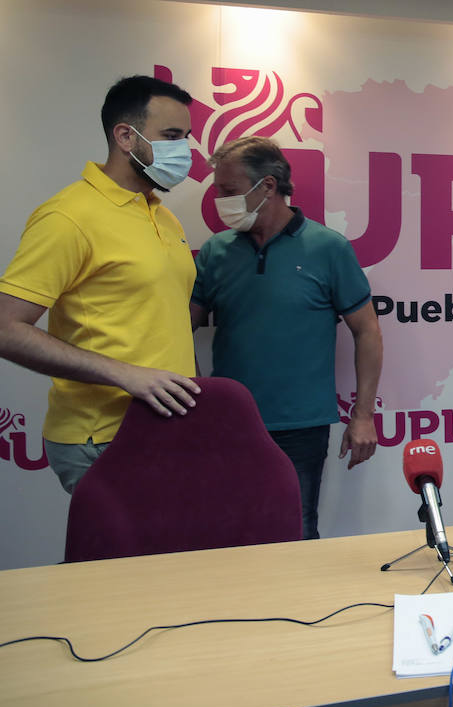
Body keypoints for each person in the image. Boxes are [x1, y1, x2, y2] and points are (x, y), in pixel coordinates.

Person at [0, 75, 202, 494]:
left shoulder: (162, 214)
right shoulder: (68, 216)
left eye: (185, 137)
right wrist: (125, 374)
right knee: (123, 560)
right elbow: (6, 327)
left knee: (170, 560)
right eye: (170, 135)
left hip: (168, 428)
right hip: (104, 435)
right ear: (126, 136)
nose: (184, 150)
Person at [190, 137, 382, 540]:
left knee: (296, 530)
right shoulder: (215, 251)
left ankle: (297, 608)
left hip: (300, 426)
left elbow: (366, 331)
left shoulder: (328, 248)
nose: (220, 201)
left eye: (229, 191)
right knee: (227, 534)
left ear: (268, 187)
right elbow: (179, 328)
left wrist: (362, 415)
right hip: (229, 423)